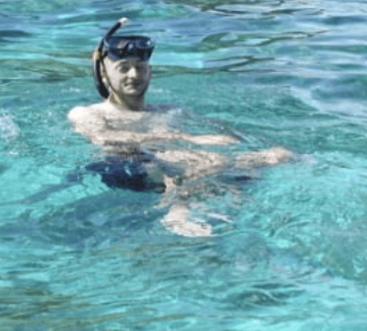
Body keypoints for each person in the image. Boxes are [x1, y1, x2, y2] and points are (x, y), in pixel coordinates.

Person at [66, 19, 293, 237]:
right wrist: (190, 139)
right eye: (123, 68)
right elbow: (103, 138)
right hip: (125, 168)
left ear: (150, 72)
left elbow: (218, 131)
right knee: (207, 160)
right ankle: (177, 211)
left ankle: (227, 202)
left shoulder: (168, 110)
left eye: (140, 67)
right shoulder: (87, 112)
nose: (133, 75)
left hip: (174, 162)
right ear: (104, 75)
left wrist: (231, 138)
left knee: (277, 155)